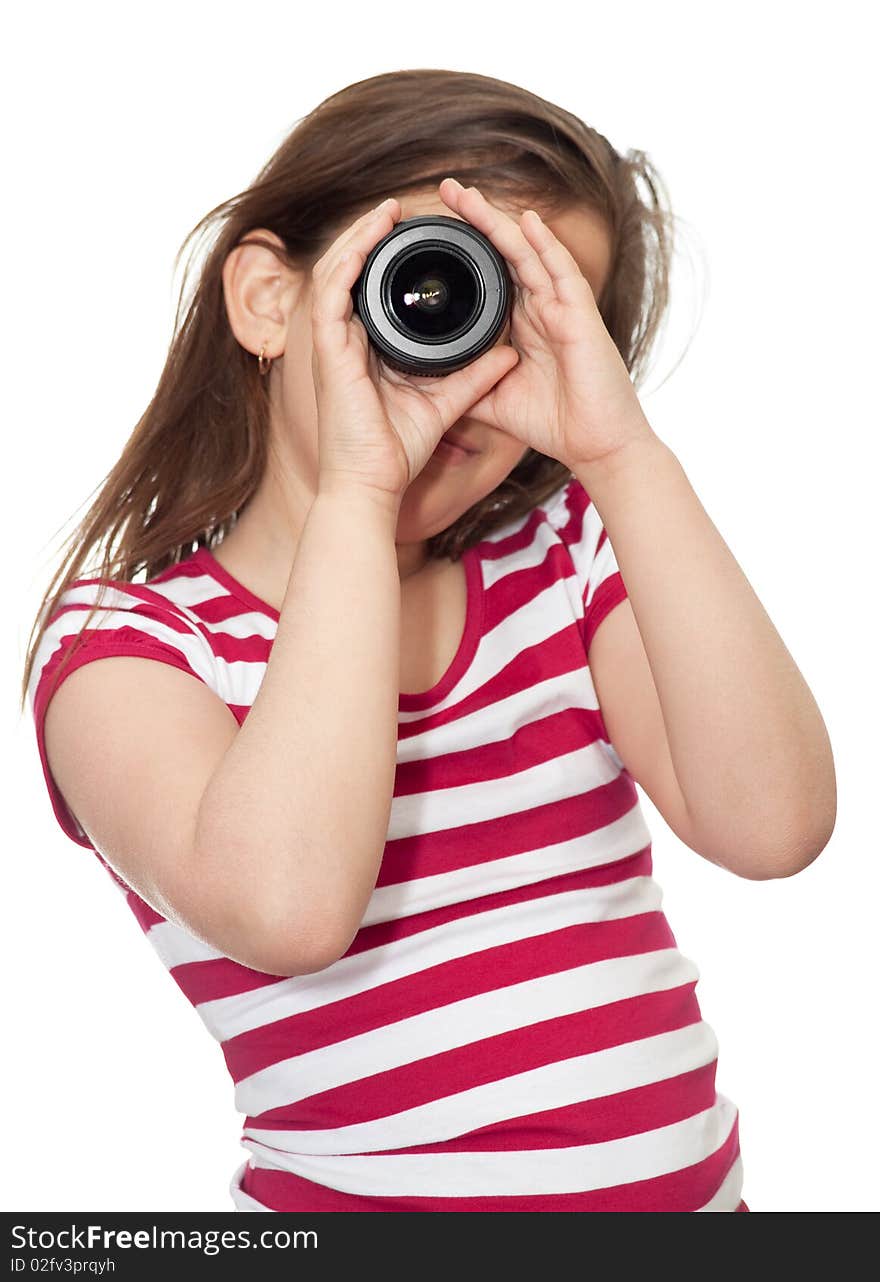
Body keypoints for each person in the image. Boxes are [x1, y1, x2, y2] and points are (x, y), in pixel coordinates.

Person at [21, 69, 836, 1213]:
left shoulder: (560, 563)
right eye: (431, 280)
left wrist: (622, 455)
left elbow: (772, 824)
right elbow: (290, 906)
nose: (461, 358)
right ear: (266, 299)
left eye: (528, 316)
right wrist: (360, 483)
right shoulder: (134, 646)